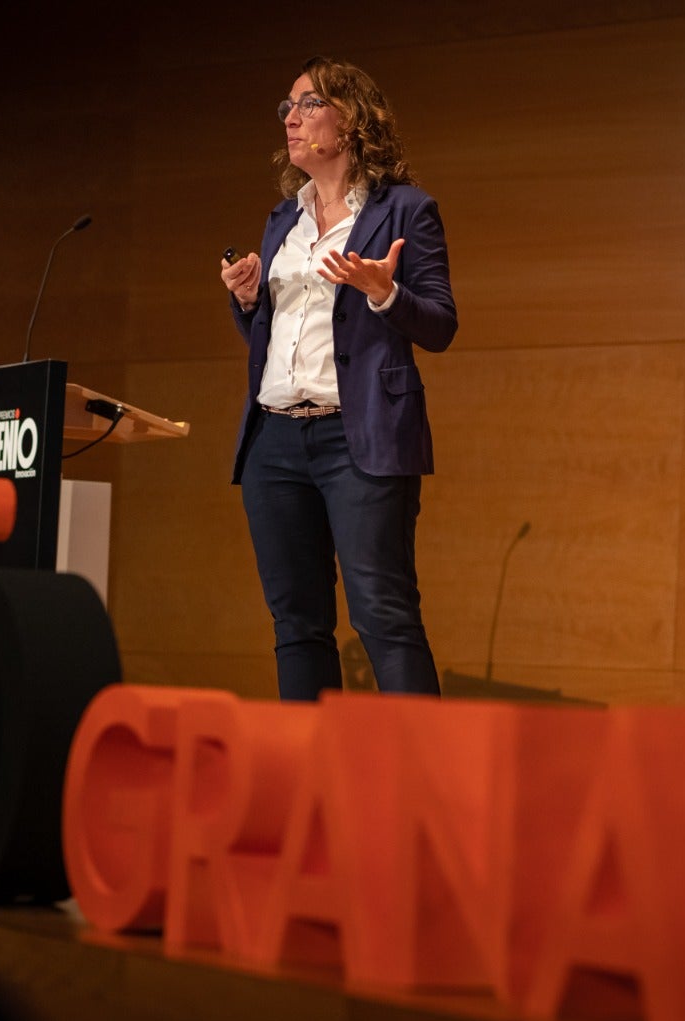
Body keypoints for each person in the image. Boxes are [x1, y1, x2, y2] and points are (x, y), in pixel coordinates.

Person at [219, 56, 457, 701]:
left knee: (383, 615)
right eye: (287, 108)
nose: (291, 119)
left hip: (360, 439)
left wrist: (385, 293)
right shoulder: (283, 221)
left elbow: (440, 325)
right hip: (273, 442)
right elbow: (270, 340)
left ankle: (422, 789)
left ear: (350, 119)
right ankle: (312, 784)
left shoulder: (405, 209)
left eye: (308, 104)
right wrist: (247, 303)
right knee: (296, 625)